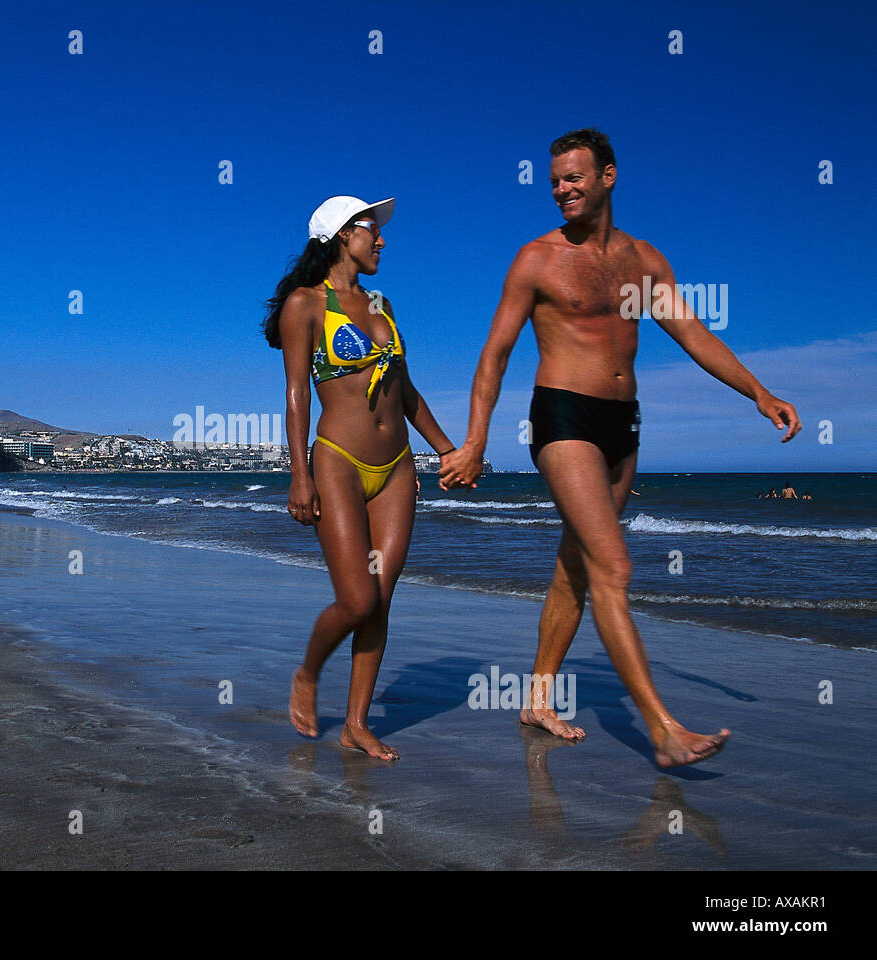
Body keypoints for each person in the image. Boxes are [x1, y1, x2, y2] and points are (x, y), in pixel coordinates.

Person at [440, 129, 801, 768]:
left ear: (608, 176)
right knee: (615, 568)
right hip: (562, 417)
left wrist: (758, 392)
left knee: (576, 567)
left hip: (623, 423)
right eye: (554, 181)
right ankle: (661, 728)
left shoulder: (644, 261)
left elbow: (692, 334)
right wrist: (474, 443)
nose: (562, 189)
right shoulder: (537, 260)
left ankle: (538, 700)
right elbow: (493, 357)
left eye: (573, 178)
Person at [267, 195, 459, 761]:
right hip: (339, 462)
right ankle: (308, 672)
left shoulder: (383, 305)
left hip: (397, 468)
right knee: (355, 599)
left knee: (381, 598)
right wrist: (299, 474)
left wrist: (447, 450)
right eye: (370, 231)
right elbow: (297, 394)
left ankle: (355, 722)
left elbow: (407, 392)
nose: (381, 240)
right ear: (339, 236)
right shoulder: (304, 305)